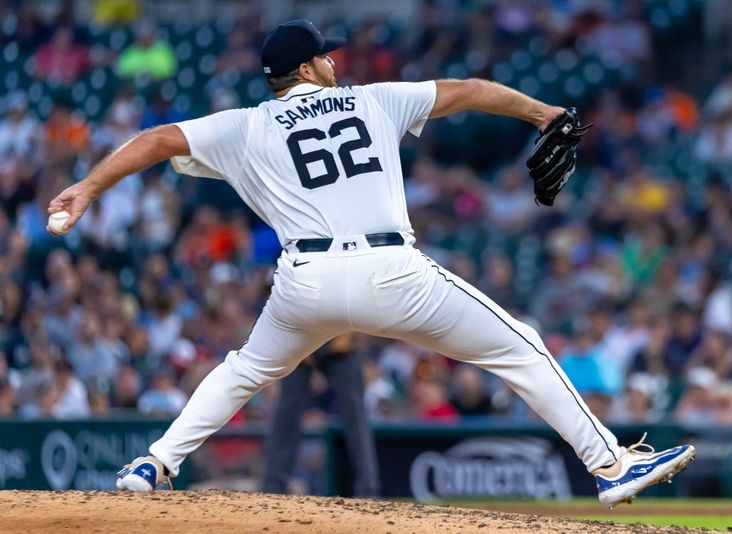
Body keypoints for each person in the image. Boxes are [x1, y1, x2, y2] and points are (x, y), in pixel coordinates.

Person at [48, 19, 693, 508]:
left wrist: (88, 187)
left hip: (305, 282)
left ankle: (152, 466)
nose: (333, 61)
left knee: (244, 369)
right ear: (308, 67)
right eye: (324, 54)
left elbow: (157, 140)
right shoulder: (372, 99)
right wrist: (544, 113)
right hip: (391, 272)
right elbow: (468, 91)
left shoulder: (243, 125)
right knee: (521, 345)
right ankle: (611, 465)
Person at [264, 335, 379, 497]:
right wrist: (302, 345)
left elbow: (359, 310)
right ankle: (273, 487)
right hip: (303, 336)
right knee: (286, 413)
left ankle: (368, 491)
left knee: (356, 416)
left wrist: (348, 332)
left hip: (339, 333)